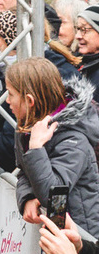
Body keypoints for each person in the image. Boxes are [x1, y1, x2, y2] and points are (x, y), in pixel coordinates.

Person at [11, 60, 99, 238]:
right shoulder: (29, 128)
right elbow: (24, 172)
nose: (7, 101)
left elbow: (54, 194)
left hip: (81, 238)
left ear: (29, 100)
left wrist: (36, 148)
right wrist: (27, 197)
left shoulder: (74, 139)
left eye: (11, 94)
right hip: (56, 235)